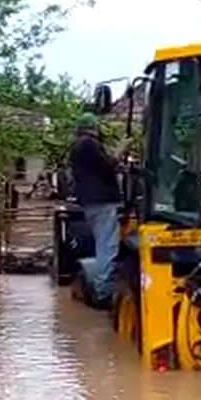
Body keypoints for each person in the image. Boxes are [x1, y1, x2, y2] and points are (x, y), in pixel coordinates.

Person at [68, 112, 127, 304]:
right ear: (94, 127)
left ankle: (103, 286)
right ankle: (104, 291)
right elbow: (107, 166)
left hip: (90, 201)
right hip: (102, 202)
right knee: (107, 246)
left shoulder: (78, 146)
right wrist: (120, 149)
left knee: (103, 243)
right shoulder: (89, 144)